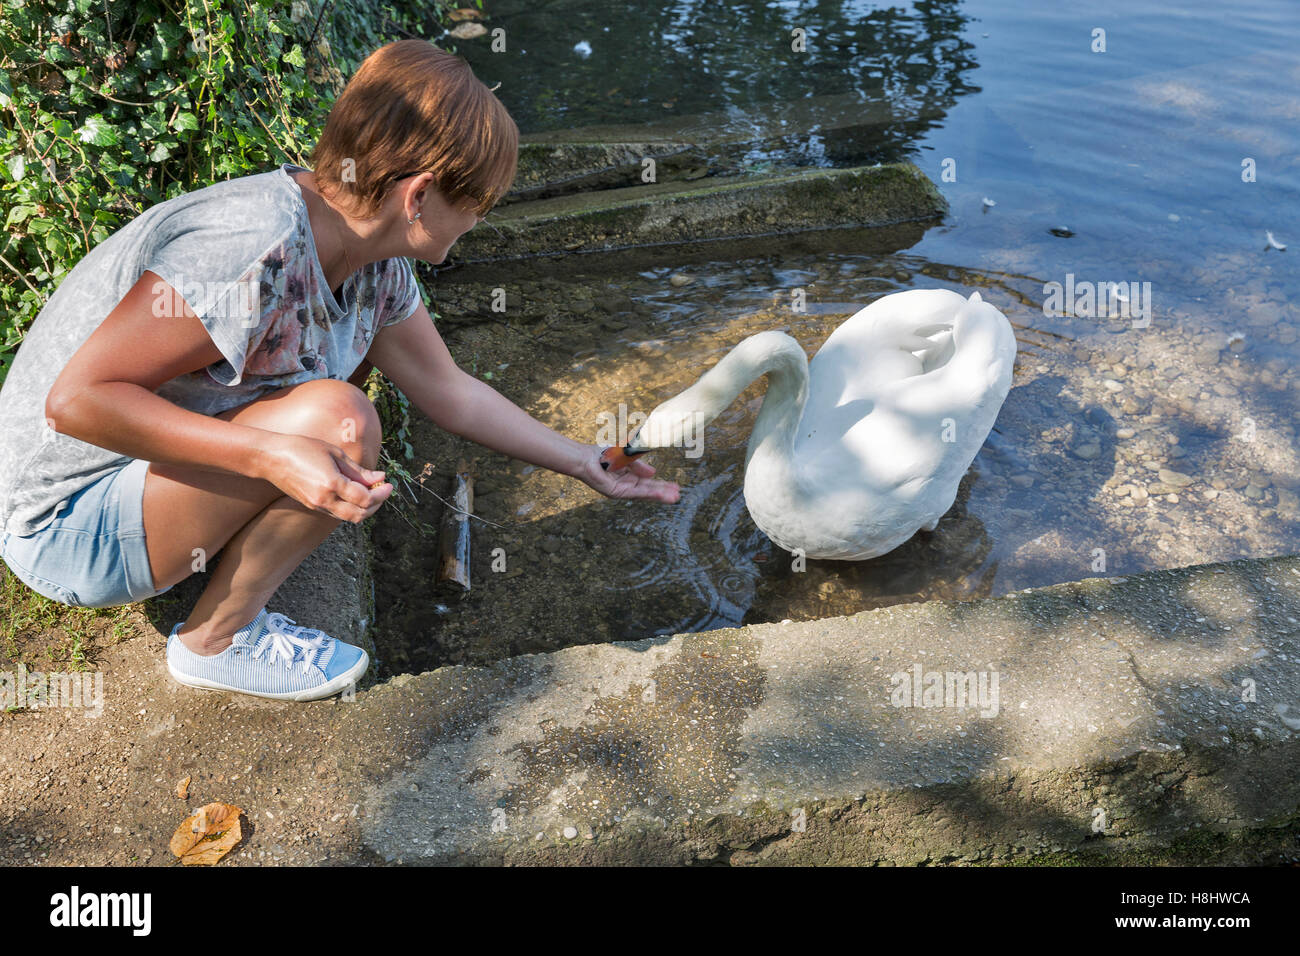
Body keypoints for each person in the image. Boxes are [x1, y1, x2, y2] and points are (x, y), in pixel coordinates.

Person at [0, 39, 679, 702]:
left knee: (333, 415)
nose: (476, 222)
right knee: (342, 423)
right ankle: (214, 641)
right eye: (476, 204)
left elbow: (450, 391)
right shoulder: (251, 247)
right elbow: (77, 401)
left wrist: (587, 461)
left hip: (134, 483)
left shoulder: (372, 257)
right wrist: (270, 456)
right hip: (61, 523)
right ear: (419, 196)